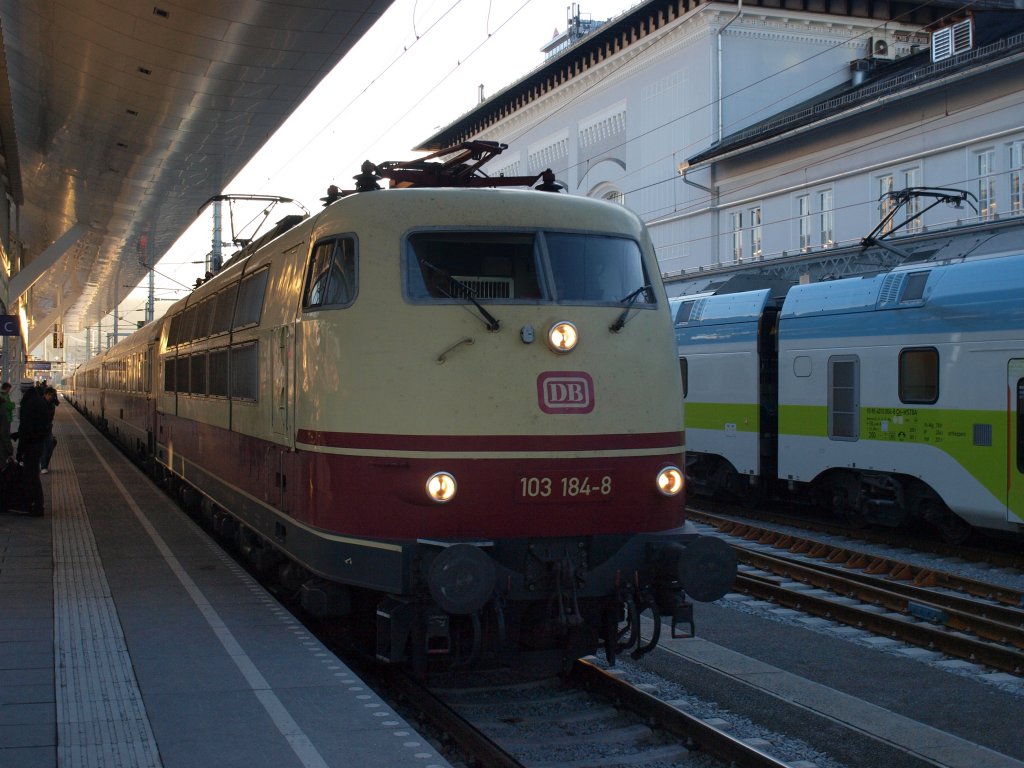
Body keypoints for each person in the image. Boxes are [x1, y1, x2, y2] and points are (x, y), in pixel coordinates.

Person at [15, 386, 51, 516]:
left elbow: (25, 428)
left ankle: (34, 506)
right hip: (38, 444)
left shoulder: (28, 404)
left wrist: (19, 451)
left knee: (30, 477)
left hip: (30, 446)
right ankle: (37, 504)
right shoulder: (40, 402)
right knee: (34, 476)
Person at [39, 386, 58, 474]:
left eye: (52, 396)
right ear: (45, 394)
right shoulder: (40, 403)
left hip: (48, 428)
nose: (51, 397)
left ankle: (43, 464)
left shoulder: (52, 404)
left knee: (50, 446)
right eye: (49, 395)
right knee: (44, 448)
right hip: (41, 429)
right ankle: (44, 466)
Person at [0, 383, 14, 461]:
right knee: (5, 435)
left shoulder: (4, 395)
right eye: (9, 388)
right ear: (7, 388)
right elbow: (9, 406)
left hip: (6, 417)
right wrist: (13, 405)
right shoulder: (4, 396)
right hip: (6, 417)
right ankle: (8, 451)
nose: (9, 390)